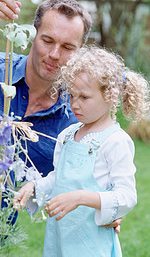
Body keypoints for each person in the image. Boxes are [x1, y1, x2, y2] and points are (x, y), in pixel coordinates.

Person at [0, 0, 121, 230]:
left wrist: (109, 207)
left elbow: (88, 183)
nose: (54, 54)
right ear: (33, 35)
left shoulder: (75, 123)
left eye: (67, 47)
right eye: (48, 40)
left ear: (79, 52)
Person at [15, 46, 150, 256]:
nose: (74, 105)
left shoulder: (116, 141)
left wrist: (80, 197)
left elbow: (126, 196)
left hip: (91, 243)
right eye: (71, 95)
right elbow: (58, 178)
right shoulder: (67, 135)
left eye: (84, 97)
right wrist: (34, 187)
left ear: (110, 96)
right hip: (61, 236)